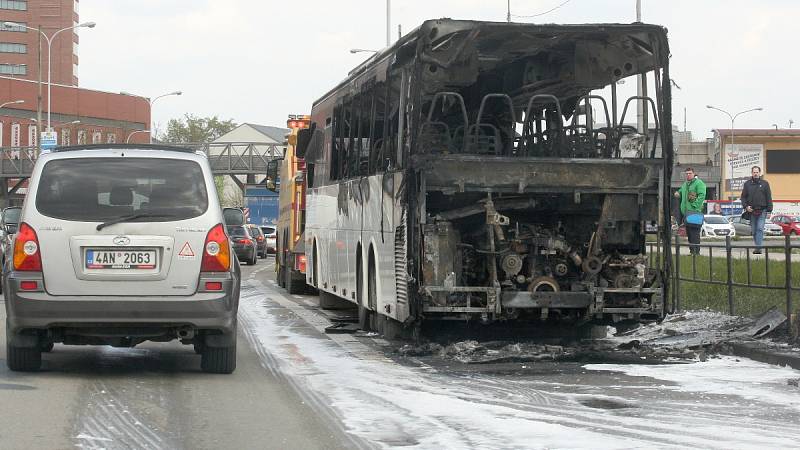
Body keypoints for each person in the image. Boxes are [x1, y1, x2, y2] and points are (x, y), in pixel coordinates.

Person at [740, 165, 773, 254]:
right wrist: (746, 207)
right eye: (754, 172)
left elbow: (769, 197)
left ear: (760, 173)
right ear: (752, 173)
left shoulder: (765, 183)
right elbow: (743, 197)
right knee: (754, 230)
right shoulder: (747, 184)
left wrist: (770, 210)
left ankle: (758, 248)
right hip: (751, 211)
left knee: (759, 229)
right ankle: (757, 246)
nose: (755, 174)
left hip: (763, 210)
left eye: (757, 172)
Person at [674, 167, 706, 254]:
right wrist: (678, 192)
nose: (688, 175)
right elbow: (681, 191)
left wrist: (694, 205)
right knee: (689, 233)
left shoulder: (699, 183)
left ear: (693, 174)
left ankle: (696, 252)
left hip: (694, 212)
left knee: (695, 233)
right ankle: (692, 252)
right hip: (686, 213)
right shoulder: (685, 184)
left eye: (690, 173)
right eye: (687, 173)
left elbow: (702, 195)